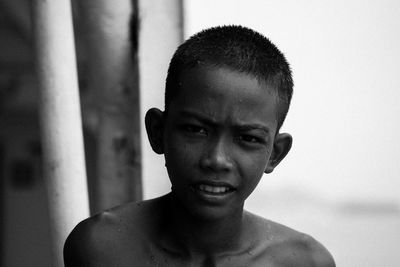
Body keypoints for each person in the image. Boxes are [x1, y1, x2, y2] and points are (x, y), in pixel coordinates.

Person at [64, 25, 336, 266]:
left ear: (274, 154)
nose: (217, 159)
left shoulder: (305, 261)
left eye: (248, 138)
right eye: (196, 130)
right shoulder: (102, 248)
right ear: (158, 132)